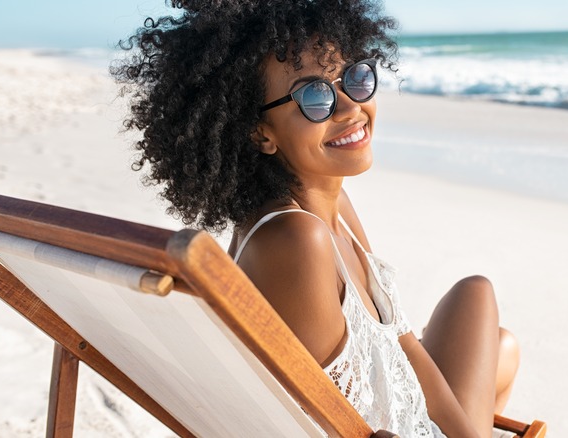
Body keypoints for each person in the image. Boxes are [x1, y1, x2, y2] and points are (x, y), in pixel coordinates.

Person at [113, 1, 519, 436]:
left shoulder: (333, 207)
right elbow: (330, 423)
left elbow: (402, 345)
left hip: (403, 407)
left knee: (487, 317)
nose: (348, 108)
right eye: (314, 95)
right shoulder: (294, 238)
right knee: (495, 340)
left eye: (354, 78)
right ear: (260, 132)